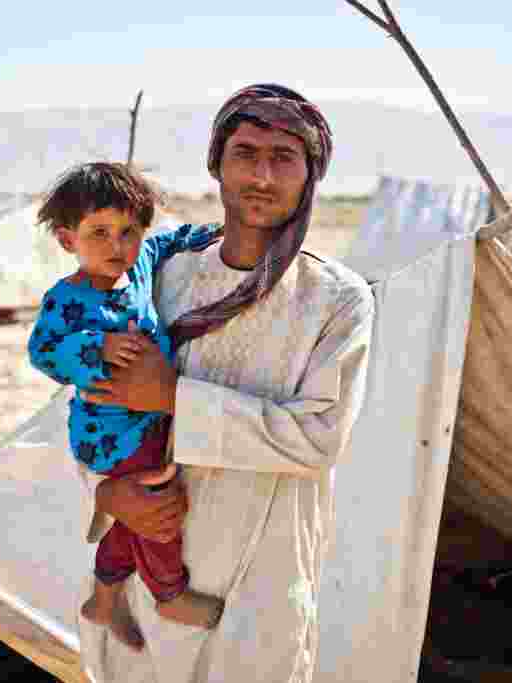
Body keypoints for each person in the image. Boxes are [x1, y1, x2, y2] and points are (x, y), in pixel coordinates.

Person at [73, 85, 375, 682]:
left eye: (284, 157)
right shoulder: (159, 274)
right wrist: (107, 493)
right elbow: (88, 399)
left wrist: (173, 400)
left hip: (260, 576)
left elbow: (320, 437)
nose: (262, 174)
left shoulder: (336, 300)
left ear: (311, 174)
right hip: (146, 562)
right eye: (245, 153)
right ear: (217, 163)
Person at [27, 162, 225, 651]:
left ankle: (104, 597)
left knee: (131, 519)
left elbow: (165, 242)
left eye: (127, 232)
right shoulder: (67, 300)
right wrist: (97, 347)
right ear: (67, 240)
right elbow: (43, 352)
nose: (116, 246)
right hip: (112, 432)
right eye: (99, 233)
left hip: (151, 420)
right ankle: (168, 592)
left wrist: (212, 234)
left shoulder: (137, 263)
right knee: (158, 513)